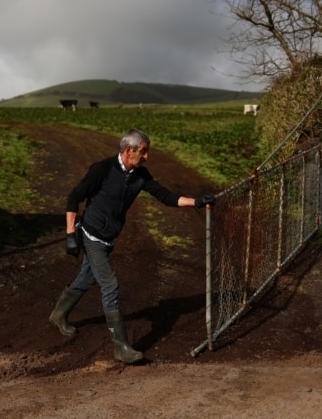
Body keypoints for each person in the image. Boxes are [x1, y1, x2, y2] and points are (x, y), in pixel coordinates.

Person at [49, 128, 215, 364]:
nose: (146, 157)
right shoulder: (103, 169)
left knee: (87, 277)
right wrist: (70, 235)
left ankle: (58, 314)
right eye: (143, 152)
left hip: (109, 238)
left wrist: (196, 202)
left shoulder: (139, 175)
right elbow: (73, 197)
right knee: (110, 284)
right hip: (91, 235)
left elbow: (165, 196)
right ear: (129, 150)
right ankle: (121, 347)